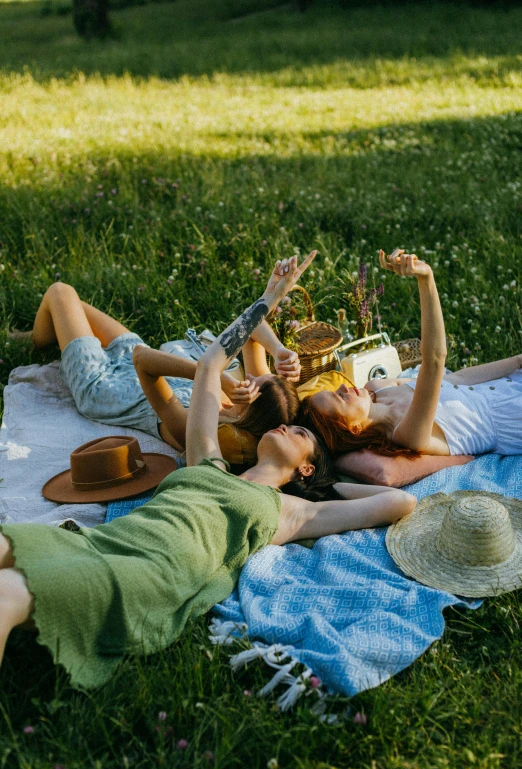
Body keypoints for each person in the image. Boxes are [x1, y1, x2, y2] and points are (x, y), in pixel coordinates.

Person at [0, 252, 416, 687]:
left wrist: (326, 490)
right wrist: (270, 297)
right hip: (105, 540)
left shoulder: (290, 511)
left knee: (7, 591)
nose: (285, 425)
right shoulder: (207, 460)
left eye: (297, 432)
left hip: (156, 573)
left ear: (306, 470)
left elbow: (398, 500)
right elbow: (213, 362)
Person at [12, 282, 302, 465]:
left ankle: (35, 342)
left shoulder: (197, 430)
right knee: (74, 306)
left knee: (61, 292)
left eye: (254, 381)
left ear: (248, 414)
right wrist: (277, 350)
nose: (248, 377)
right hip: (129, 363)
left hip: (103, 384)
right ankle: (41, 337)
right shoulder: (244, 406)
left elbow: (143, 359)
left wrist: (213, 377)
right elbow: (249, 326)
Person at [299, 248, 522, 459]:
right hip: (513, 417)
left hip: (508, 382)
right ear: (353, 428)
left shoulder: (379, 388)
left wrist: (517, 361)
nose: (343, 386)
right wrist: (426, 279)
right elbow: (434, 361)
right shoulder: (406, 434)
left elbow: (457, 379)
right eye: (339, 397)